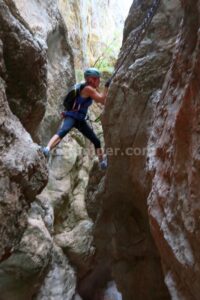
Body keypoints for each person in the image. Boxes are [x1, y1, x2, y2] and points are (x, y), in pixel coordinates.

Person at [42, 67, 110, 170]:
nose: (99, 81)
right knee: (63, 131)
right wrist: (107, 86)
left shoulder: (87, 88)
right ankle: (47, 149)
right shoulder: (88, 89)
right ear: (91, 79)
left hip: (79, 119)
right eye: (97, 79)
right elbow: (102, 100)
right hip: (73, 116)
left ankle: (102, 163)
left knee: (96, 141)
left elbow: (99, 100)